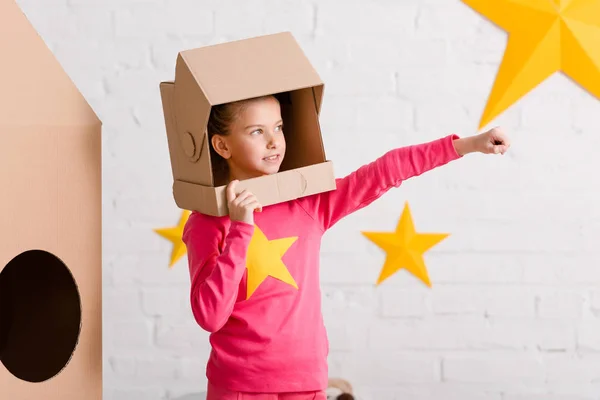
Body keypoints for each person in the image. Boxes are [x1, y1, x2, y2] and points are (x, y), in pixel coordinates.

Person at [181, 94, 510, 400]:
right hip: (239, 385)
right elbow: (210, 315)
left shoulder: (308, 204)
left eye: (278, 127)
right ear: (222, 145)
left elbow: (384, 172)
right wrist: (241, 229)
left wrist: (467, 145)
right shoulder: (206, 222)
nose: (273, 141)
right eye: (256, 131)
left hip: (306, 380)